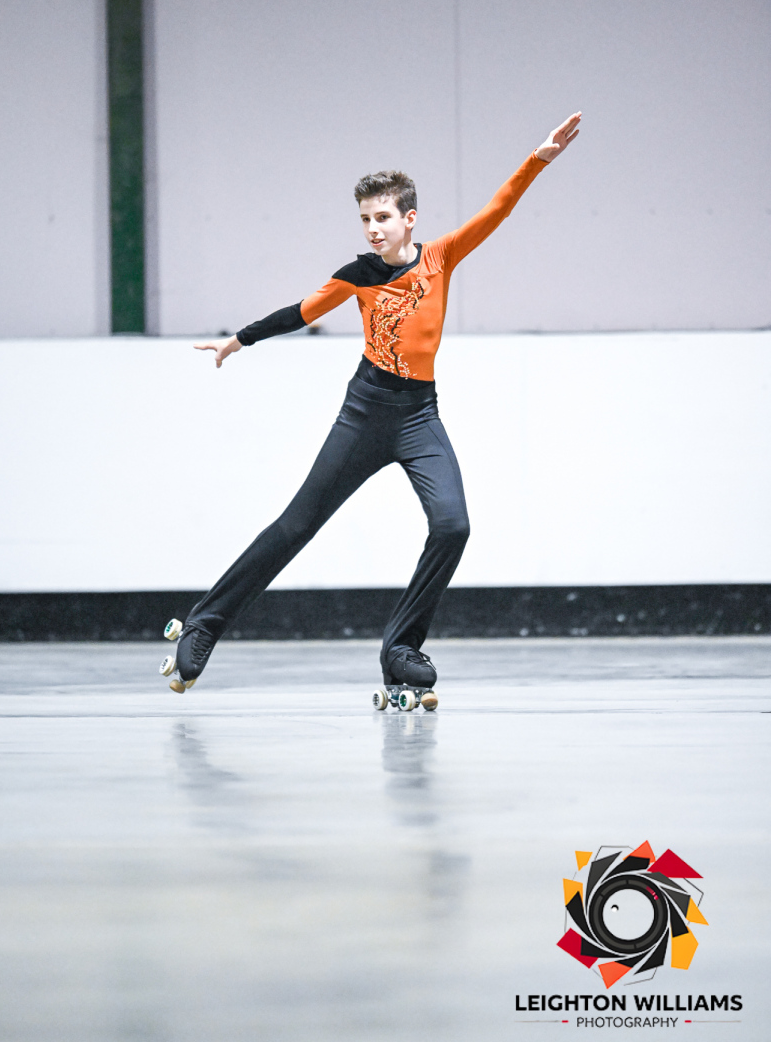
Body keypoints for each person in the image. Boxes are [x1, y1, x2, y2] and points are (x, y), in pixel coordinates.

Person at [164, 113, 581, 693]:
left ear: (410, 219)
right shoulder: (358, 275)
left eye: (382, 217)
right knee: (297, 524)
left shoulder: (440, 257)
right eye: (364, 219)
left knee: (453, 526)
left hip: (419, 416)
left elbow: (497, 210)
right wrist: (240, 339)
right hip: (364, 413)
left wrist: (536, 160)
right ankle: (204, 624)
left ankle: (401, 649)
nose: (372, 229)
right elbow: (300, 312)